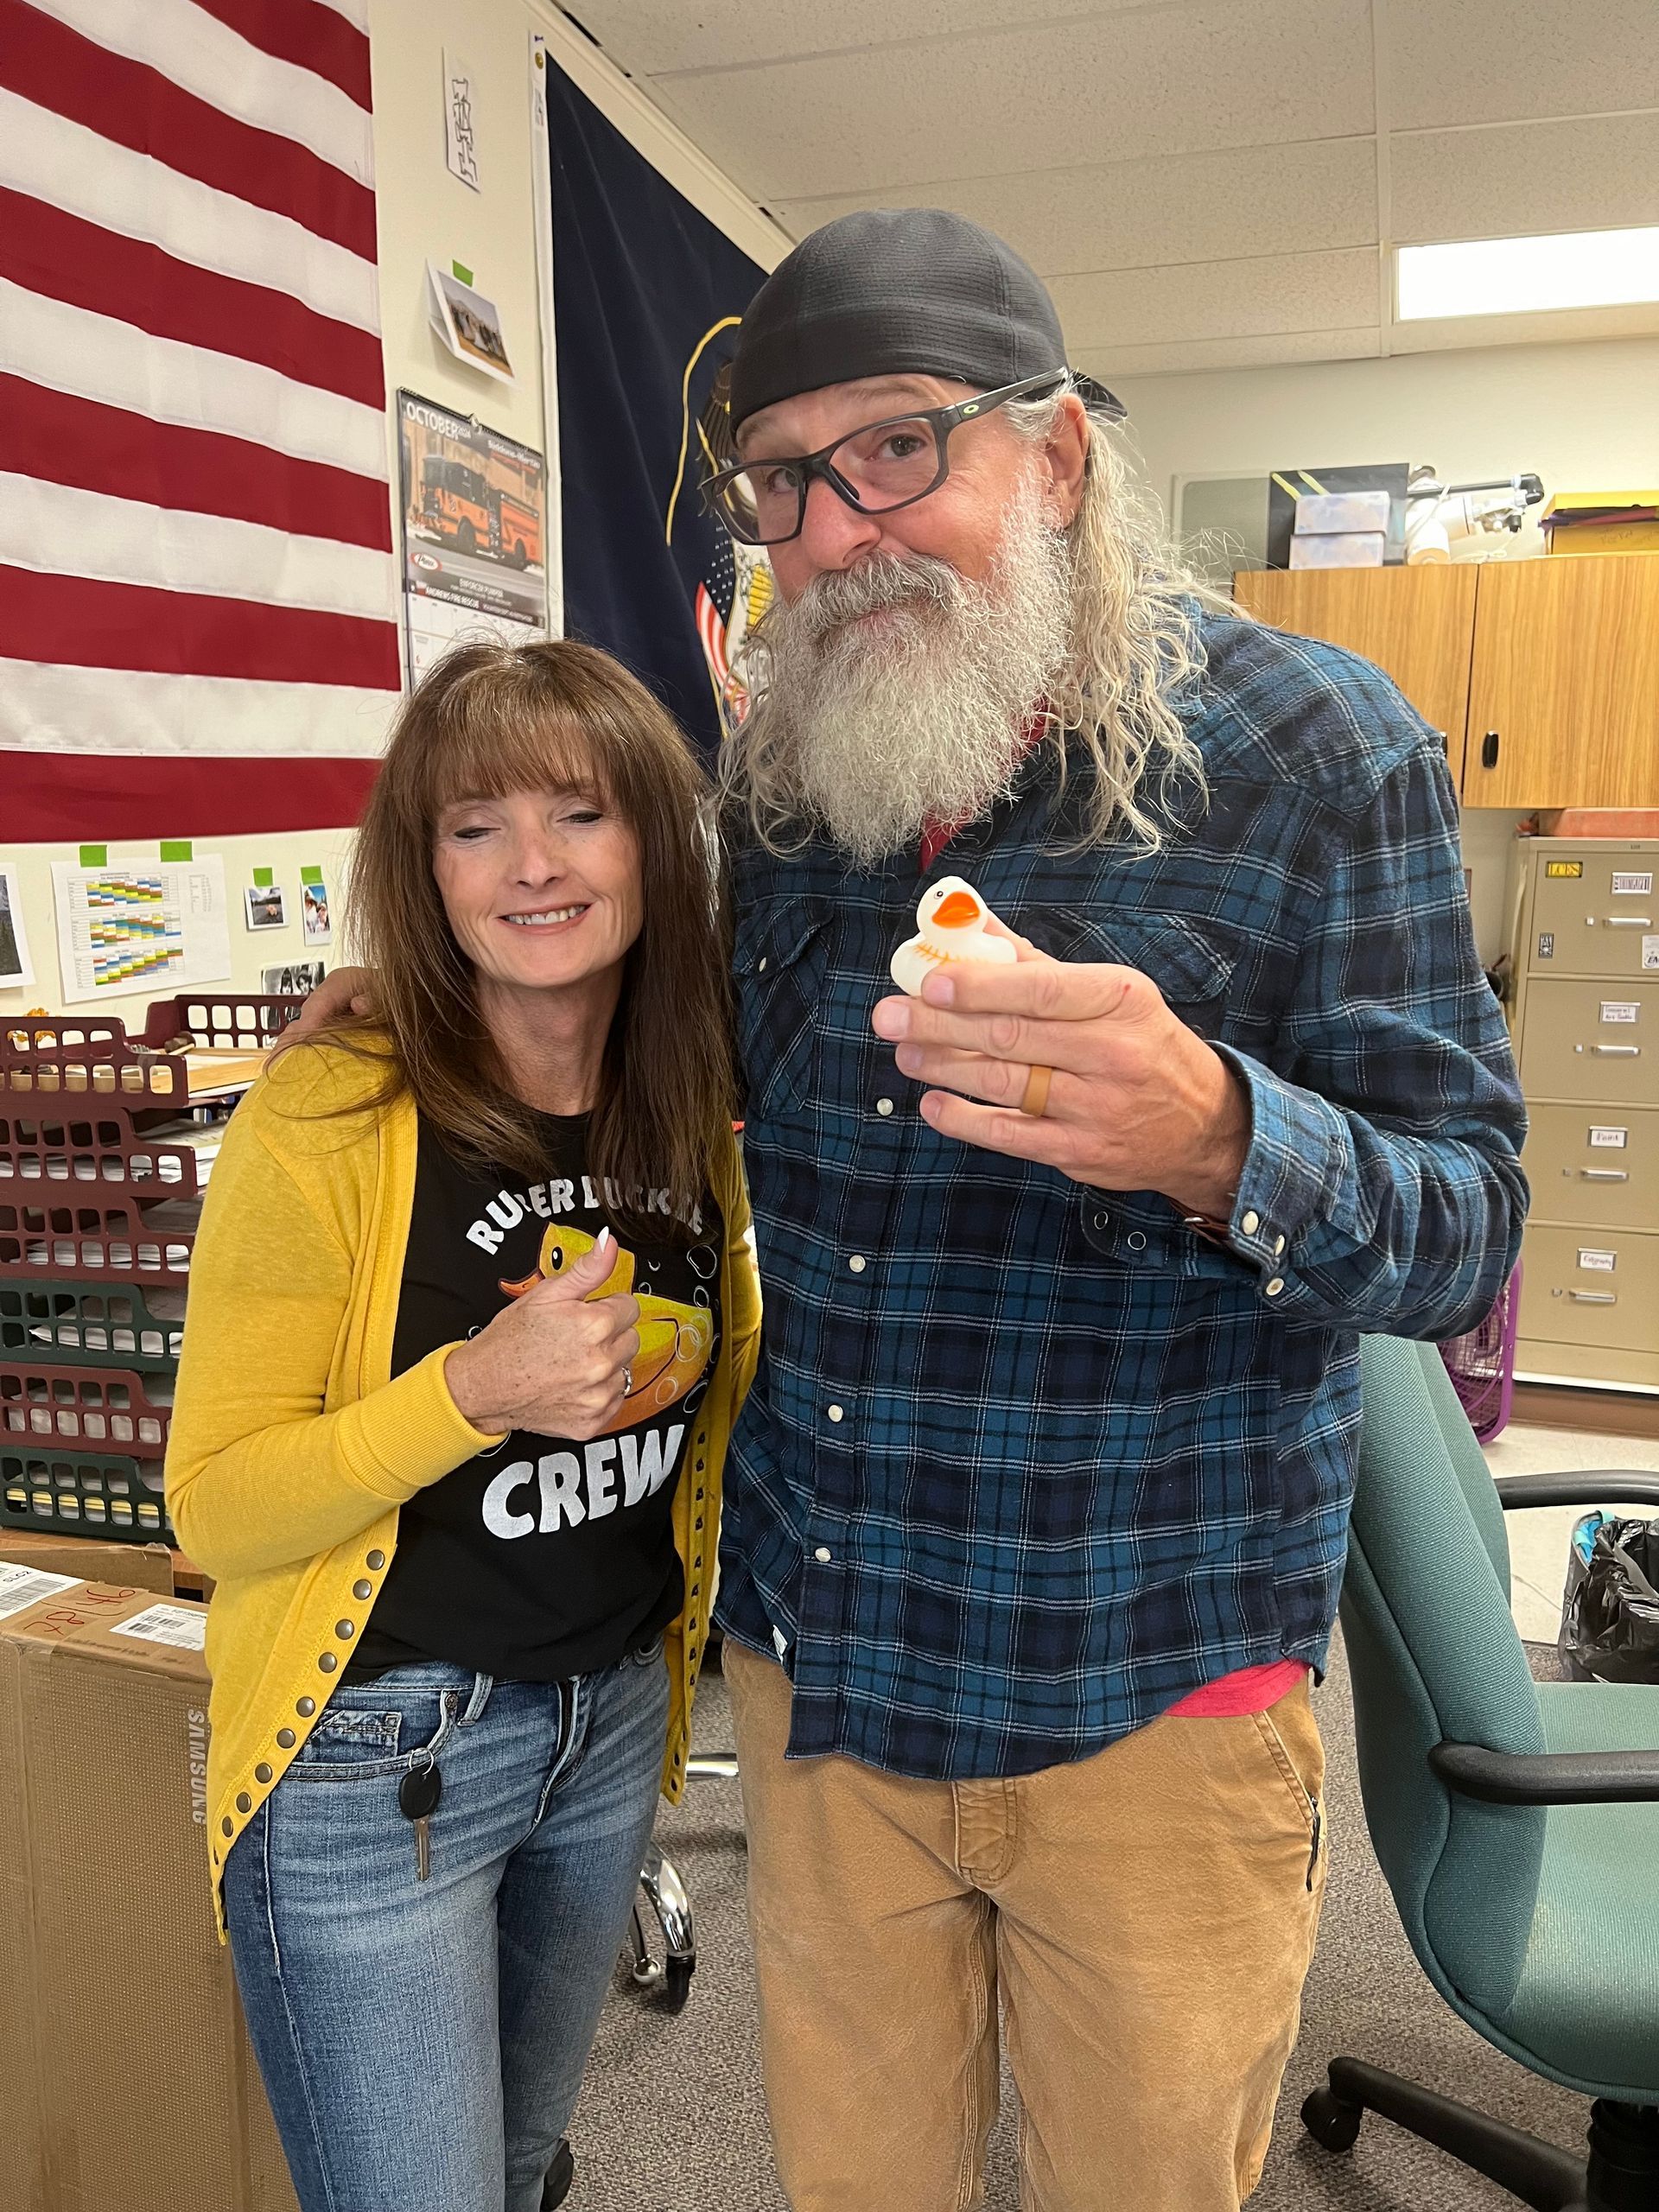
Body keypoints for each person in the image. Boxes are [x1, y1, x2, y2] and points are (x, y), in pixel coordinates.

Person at [297, 210, 1527, 2211]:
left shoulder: (1313, 753)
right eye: (783, 478)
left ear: (1051, 461)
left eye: (896, 449)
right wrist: (436, 999)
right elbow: (665, 1055)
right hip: (831, 1675)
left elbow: (1468, 1224)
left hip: (1149, 1696)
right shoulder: (788, 786)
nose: (836, 526)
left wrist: (1223, 1133)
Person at [165, 639, 760, 2212]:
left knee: (515, 2167)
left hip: (617, 1719)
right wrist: (471, 1395)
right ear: (420, 869)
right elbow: (212, 1507)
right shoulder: (331, 1110)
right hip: (382, 1759)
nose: (532, 867)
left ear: (652, 840)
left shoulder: (687, 1091)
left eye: (580, 812)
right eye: (473, 825)